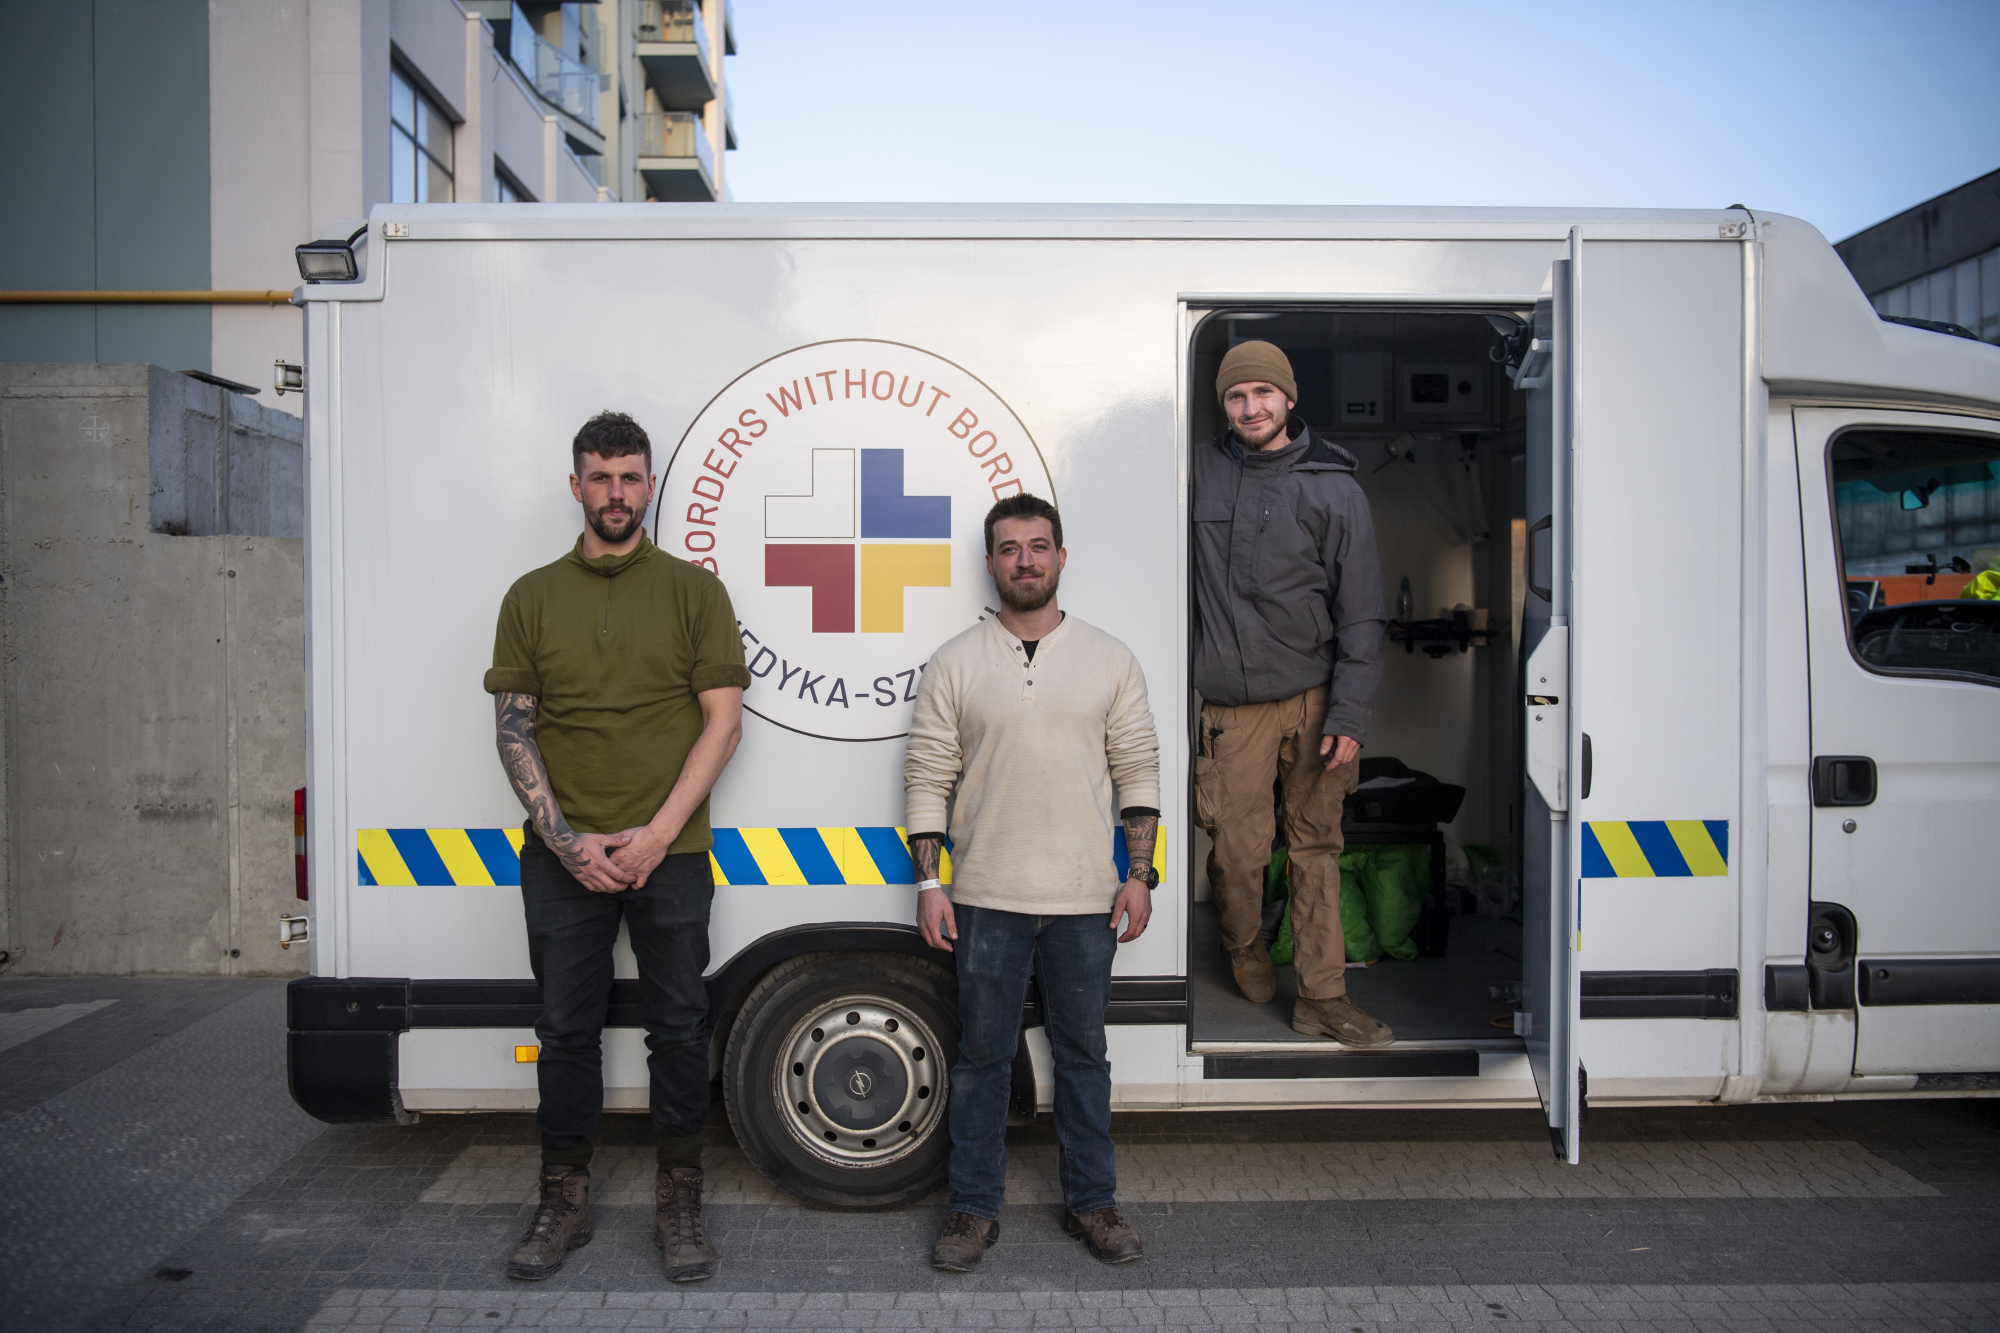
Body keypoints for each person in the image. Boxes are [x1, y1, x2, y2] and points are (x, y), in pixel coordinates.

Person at [483, 410, 750, 1283]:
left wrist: (656, 836)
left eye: (631, 477)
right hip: (563, 857)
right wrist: (566, 842)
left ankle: (680, 1194)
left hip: (670, 854)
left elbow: (723, 723)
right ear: (576, 486)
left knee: (678, 1027)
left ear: (650, 485)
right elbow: (513, 730)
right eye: (600, 478)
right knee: (565, 1030)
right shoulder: (530, 595)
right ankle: (563, 1192)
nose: (616, 493)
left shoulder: (692, 592)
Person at [905, 493, 1160, 1273]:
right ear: (991, 561)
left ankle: (1094, 1202)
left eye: (1038, 545)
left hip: (1086, 901)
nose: (1025, 559)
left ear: (1060, 556)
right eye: (1009, 547)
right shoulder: (955, 661)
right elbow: (927, 776)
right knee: (982, 1059)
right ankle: (972, 1210)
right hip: (984, 898)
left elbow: (1137, 769)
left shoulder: (1110, 657)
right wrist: (930, 883)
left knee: (1084, 1056)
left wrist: (1139, 873)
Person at [1190, 341, 1392, 1048]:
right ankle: (1243, 944)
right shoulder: (1195, 475)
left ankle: (1323, 997)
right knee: (1237, 854)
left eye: (1262, 394)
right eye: (1236, 396)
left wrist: (1350, 713)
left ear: (1289, 397)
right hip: (1231, 707)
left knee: (1315, 850)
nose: (1250, 407)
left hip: (1314, 701)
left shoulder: (1335, 489)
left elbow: (1362, 612)